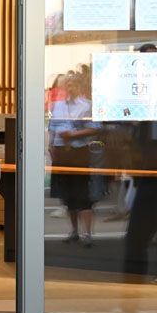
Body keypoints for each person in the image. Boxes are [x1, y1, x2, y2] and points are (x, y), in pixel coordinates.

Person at [48, 71, 100, 246]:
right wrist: (50, 145)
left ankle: (88, 233)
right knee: (68, 195)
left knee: (83, 193)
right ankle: (74, 231)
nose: (70, 88)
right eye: (67, 85)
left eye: (73, 85)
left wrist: (73, 135)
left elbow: (95, 128)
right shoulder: (58, 106)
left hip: (79, 151)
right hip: (62, 151)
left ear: (79, 87)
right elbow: (53, 127)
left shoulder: (87, 105)